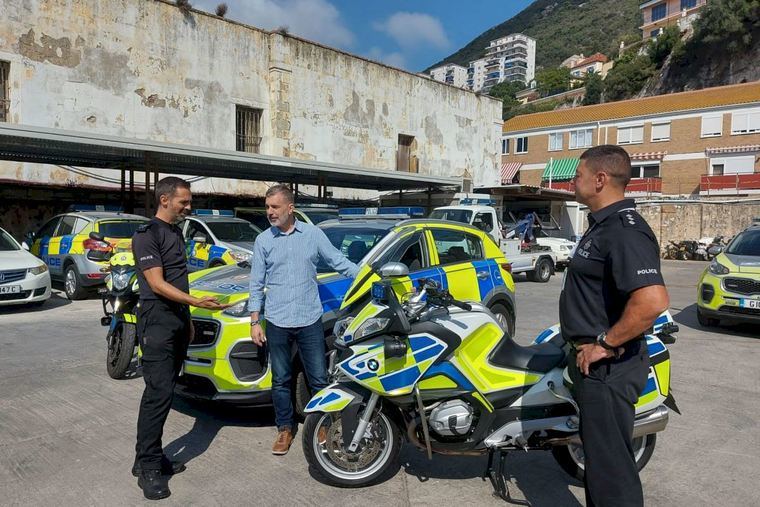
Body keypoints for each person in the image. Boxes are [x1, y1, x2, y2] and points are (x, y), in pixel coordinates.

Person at [560, 145, 669, 507]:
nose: (573, 181)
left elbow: (651, 302)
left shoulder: (624, 231)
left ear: (600, 179)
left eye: (578, 175)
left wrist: (604, 343)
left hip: (610, 368)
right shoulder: (603, 226)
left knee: (612, 476)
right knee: (602, 468)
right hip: (598, 367)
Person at [131, 177, 229, 500]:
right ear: (164, 200)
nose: (188, 207)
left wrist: (186, 321)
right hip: (156, 322)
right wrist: (197, 304)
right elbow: (157, 284)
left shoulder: (175, 232)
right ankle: (148, 468)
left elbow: (179, 281)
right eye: (183, 202)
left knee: (165, 392)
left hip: (175, 322)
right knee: (157, 394)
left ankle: (148, 454)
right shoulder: (147, 236)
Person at [249, 184, 359, 455]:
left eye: (275, 207)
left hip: (309, 319)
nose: (270, 212)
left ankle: (321, 426)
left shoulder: (313, 235)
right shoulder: (263, 241)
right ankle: (284, 429)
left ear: (290, 208)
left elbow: (338, 262)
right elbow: (256, 283)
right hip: (277, 320)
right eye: (267, 207)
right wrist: (254, 321)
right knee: (281, 379)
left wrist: (369, 277)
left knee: (319, 378)